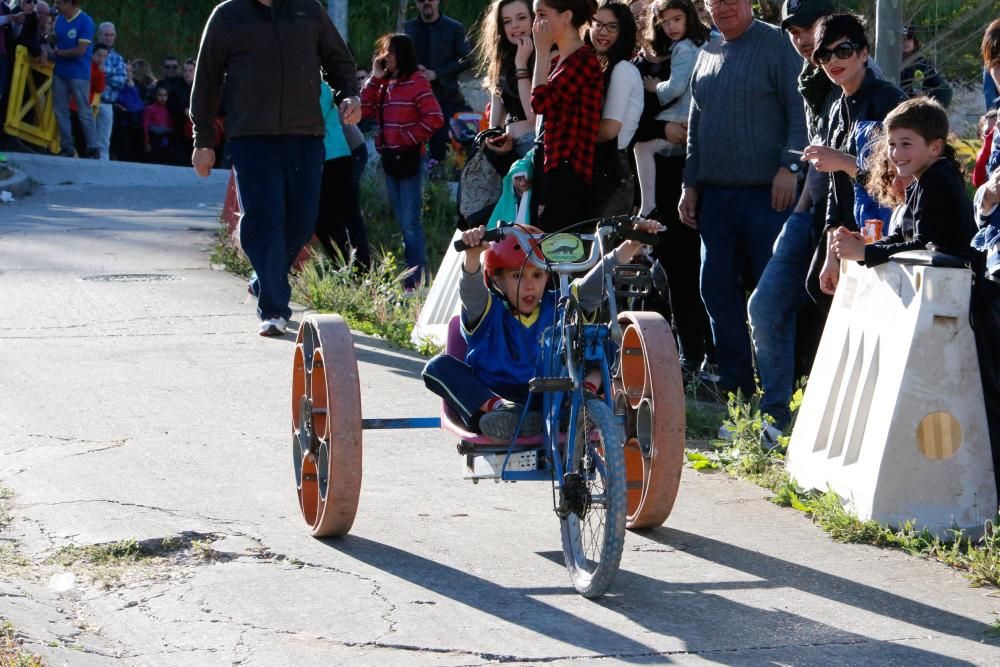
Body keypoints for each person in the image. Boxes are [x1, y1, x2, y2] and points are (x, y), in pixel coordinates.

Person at [190, 0, 360, 337]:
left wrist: (349, 95)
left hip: (305, 136)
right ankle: (274, 307)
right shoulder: (228, 15)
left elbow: (338, 59)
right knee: (265, 217)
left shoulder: (308, 10)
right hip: (251, 138)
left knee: (303, 217)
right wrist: (203, 140)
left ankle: (264, 278)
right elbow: (206, 79)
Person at [421, 219, 662, 441]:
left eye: (537, 275)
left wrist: (631, 245)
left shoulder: (562, 303)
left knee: (605, 341)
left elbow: (596, 283)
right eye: (517, 276)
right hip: (497, 395)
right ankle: (500, 413)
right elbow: (470, 291)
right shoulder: (485, 310)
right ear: (497, 281)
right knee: (437, 367)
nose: (529, 285)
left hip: (556, 395)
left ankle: (582, 404)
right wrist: (472, 256)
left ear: (547, 277)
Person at [677, 0, 806, 399]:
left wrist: (791, 165)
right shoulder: (708, 52)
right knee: (714, 286)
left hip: (769, 192)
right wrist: (690, 183)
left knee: (772, 293)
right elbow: (696, 126)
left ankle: (781, 387)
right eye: (715, 1)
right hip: (716, 196)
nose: (723, 7)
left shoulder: (778, 44)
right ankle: (736, 384)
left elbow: (798, 109)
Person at [746, 0, 836, 444]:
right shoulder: (810, 76)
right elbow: (817, 157)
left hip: (848, 226)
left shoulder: (855, 73)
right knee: (764, 306)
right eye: (793, 30)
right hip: (809, 213)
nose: (801, 38)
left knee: (831, 326)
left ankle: (822, 426)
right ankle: (776, 416)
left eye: (809, 27)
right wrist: (801, 208)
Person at [809, 14, 907, 298]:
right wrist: (831, 254)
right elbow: (835, 191)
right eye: (824, 55)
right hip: (852, 235)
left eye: (843, 51)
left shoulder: (890, 101)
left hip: (889, 236)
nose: (833, 61)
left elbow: (901, 178)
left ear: (864, 53)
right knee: (819, 294)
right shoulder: (837, 109)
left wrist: (841, 161)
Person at [832, 98, 975, 266]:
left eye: (906, 144)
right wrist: (867, 247)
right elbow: (902, 234)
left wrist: (866, 253)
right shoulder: (920, 180)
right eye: (892, 144)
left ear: (935, 147)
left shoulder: (937, 179)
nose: (896, 153)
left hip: (956, 286)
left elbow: (923, 246)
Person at [360, 33, 444, 291]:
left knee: (410, 222)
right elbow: (363, 108)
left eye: (391, 52)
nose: (386, 57)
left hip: (408, 159)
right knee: (403, 221)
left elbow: (434, 117)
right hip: (390, 159)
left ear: (403, 55)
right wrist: (374, 77)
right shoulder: (385, 84)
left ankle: (416, 282)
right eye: (384, 51)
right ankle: (413, 278)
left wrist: (407, 138)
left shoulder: (416, 82)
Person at [530, 0, 603, 233]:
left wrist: (540, 52)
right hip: (553, 167)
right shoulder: (557, 62)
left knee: (559, 254)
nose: (535, 24)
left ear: (566, 16)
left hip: (570, 171)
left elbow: (539, 102)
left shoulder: (583, 61)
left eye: (542, 14)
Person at [632, 0, 707, 219]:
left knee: (642, 147)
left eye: (677, 20)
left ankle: (647, 204)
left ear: (688, 17)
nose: (671, 27)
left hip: (683, 111)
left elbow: (675, 88)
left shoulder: (683, 48)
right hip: (694, 111)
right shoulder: (702, 42)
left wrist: (656, 87)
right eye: (665, 22)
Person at [587, 1, 643, 217]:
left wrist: (569, 135)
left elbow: (609, 129)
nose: (603, 32)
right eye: (598, 24)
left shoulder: (622, 70)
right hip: (599, 165)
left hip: (610, 171)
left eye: (612, 27)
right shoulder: (596, 65)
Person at [405, 0, 472, 163]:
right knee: (414, 150)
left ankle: (444, 181)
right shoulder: (407, 29)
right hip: (414, 100)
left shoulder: (454, 28)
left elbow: (466, 59)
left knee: (447, 148)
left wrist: (437, 74)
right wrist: (414, 68)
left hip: (446, 97)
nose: (427, 2)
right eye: (422, 0)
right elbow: (394, 59)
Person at [472, 0, 537, 162]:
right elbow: (495, 122)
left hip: (533, 145)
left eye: (521, 18)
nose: (514, 25)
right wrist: (494, 141)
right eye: (507, 21)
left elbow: (533, 115)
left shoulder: (543, 56)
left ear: (533, 19)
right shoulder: (502, 60)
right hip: (507, 150)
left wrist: (521, 65)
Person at [315, 81, 371, 271]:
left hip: (341, 154)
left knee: (343, 218)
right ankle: (349, 270)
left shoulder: (318, 84)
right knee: (326, 221)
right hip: (333, 154)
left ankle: (359, 273)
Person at [50, 0, 98, 158]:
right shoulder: (60, 20)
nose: (57, 5)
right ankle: (67, 147)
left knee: (84, 110)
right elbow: (55, 39)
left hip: (79, 73)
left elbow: (80, 51)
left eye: (60, 3)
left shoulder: (85, 21)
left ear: (71, 3)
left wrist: (59, 53)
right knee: (60, 110)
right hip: (60, 72)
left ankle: (93, 147)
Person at [899, 25, 952, 108]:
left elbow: (945, 90)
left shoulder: (922, 64)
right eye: (901, 39)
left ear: (914, 41)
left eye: (909, 38)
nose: (905, 42)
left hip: (917, 109)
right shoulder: (889, 63)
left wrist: (926, 96)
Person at [95, 21, 125, 160]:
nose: (109, 38)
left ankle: (102, 170)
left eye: (111, 35)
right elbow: (88, 76)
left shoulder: (118, 58)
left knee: (103, 141)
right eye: (106, 34)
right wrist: (109, 74)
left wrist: (100, 73)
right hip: (88, 101)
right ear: (99, 35)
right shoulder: (89, 52)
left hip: (107, 103)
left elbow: (120, 81)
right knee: (86, 138)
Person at [143, 83, 173, 164]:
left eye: (165, 95)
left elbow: (171, 127)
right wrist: (146, 142)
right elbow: (145, 126)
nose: (163, 98)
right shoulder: (149, 109)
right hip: (153, 139)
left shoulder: (170, 110)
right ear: (155, 96)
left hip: (165, 140)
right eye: (160, 95)